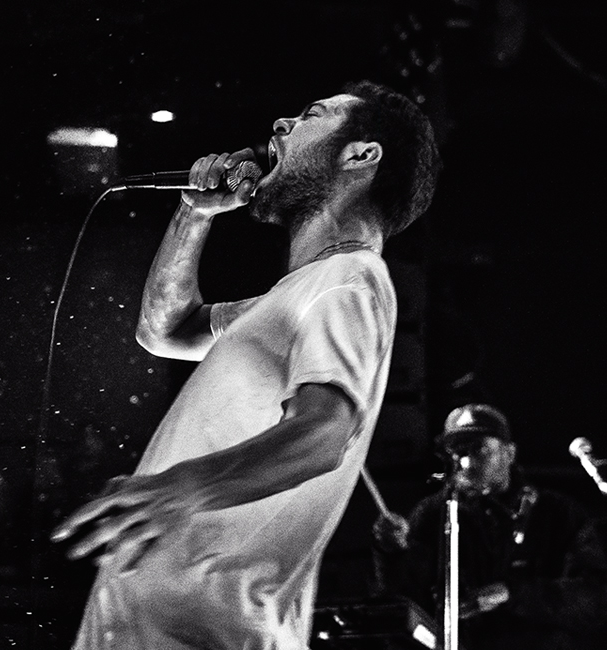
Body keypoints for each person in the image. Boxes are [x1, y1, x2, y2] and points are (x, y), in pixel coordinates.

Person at [52, 80, 442, 649]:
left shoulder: (349, 279)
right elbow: (164, 330)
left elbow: (323, 434)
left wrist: (181, 487)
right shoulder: (291, 297)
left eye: (312, 115)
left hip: (207, 631)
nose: (282, 125)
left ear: (360, 155)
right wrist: (194, 213)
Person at [371, 403, 607, 650]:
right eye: (457, 452)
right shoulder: (433, 514)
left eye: (479, 449)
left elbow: (595, 599)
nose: (465, 463)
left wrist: (513, 593)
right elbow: (401, 602)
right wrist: (391, 553)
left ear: (509, 453)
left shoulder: (557, 512)